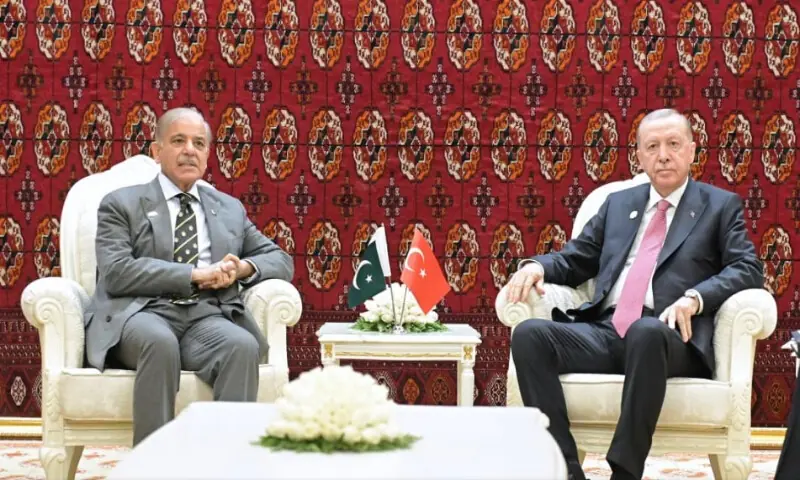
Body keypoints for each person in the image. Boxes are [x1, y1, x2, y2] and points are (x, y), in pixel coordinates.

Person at [505, 108, 763, 480]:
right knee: (530, 335)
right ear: (639, 155)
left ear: (692, 150)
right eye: (652, 146)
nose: (663, 155)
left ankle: (624, 472)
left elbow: (748, 268)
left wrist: (695, 297)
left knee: (646, 331)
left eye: (673, 144)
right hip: (608, 330)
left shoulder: (719, 206)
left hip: (670, 336)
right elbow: (577, 259)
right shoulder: (619, 204)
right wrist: (537, 267)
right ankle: (565, 467)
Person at [83, 107, 294, 445]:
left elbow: (280, 260)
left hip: (204, 317)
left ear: (208, 154)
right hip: (141, 313)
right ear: (157, 150)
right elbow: (117, 271)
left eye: (198, 143)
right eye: (178, 141)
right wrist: (194, 274)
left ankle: (226, 462)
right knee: (160, 342)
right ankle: (153, 463)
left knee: (242, 345)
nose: (189, 151)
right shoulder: (122, 204)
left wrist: (240, 269)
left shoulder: (228, 208)